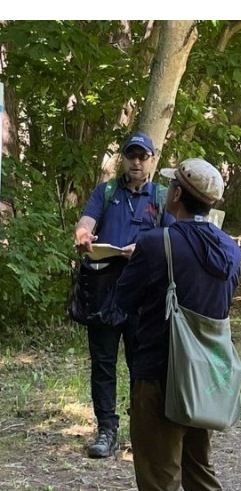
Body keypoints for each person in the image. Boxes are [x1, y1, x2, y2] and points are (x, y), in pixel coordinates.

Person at [109, 158, 241, 491]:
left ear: (177, 195)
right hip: (204, 380)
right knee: (199, 471)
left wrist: (132, 262)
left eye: (171, 188)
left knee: (159, 487)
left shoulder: (157, 244)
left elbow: (121, 303)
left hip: (158, 378)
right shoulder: (230, 249)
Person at [73, 131, 173, 458]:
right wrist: (84, 234)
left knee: (141, 365)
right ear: (124, 159)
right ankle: (106, 430)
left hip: (145, 295)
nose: (137, 161)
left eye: (143, 156)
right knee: (102, 363)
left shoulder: (162, 196)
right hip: (103, 290)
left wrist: (145, 248)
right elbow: (85, 222)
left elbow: (176, 238)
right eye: (131, 155)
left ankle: (141, 430)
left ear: (151, 160)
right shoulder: (106, 192)